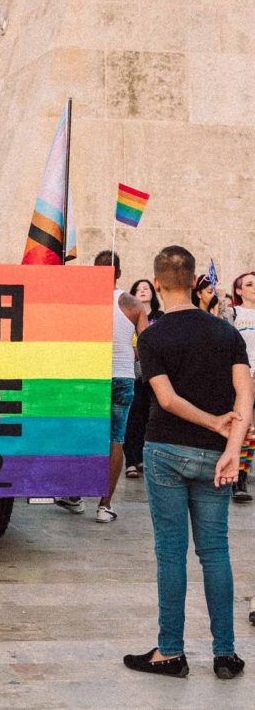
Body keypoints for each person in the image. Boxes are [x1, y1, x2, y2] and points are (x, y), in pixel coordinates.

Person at [124, 245, 253, 679]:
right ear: (194, 279)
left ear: (157, 284)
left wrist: (214, 422)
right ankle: (226, 653)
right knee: (216, 553)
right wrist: (232, 445)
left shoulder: (153, 336)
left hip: (165, 451)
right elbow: (246, 395)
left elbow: (166, 399)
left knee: (171, 554)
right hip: (216, 457)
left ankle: (171, 651)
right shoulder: (226, 332)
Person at [56, 250, 147, 520]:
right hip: (122, 377)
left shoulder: (84, 301)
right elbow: (145, 345)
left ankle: (75, 495)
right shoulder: (132, 303)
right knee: (116, 439)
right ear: (119, 272)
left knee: (84, 435)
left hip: (90, 377)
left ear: (95, 270)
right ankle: (104, 505)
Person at [124, 279, 163, 478]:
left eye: (146, 288)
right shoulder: (128, 315)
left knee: (151, 417)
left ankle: (144, 459)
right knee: (132, 417)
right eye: (138, 289)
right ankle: (131, 460)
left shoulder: (161, 317)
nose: (142, 291)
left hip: (155, 373)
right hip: (133, 371)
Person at [228, 270, 255, 503]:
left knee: (252, 430)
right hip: (242, 375)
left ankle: (244, 471)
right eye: (249, 284)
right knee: (243, 424)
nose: (254, 287)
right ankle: (238, 477)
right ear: (238, 290)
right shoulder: (233, 313)